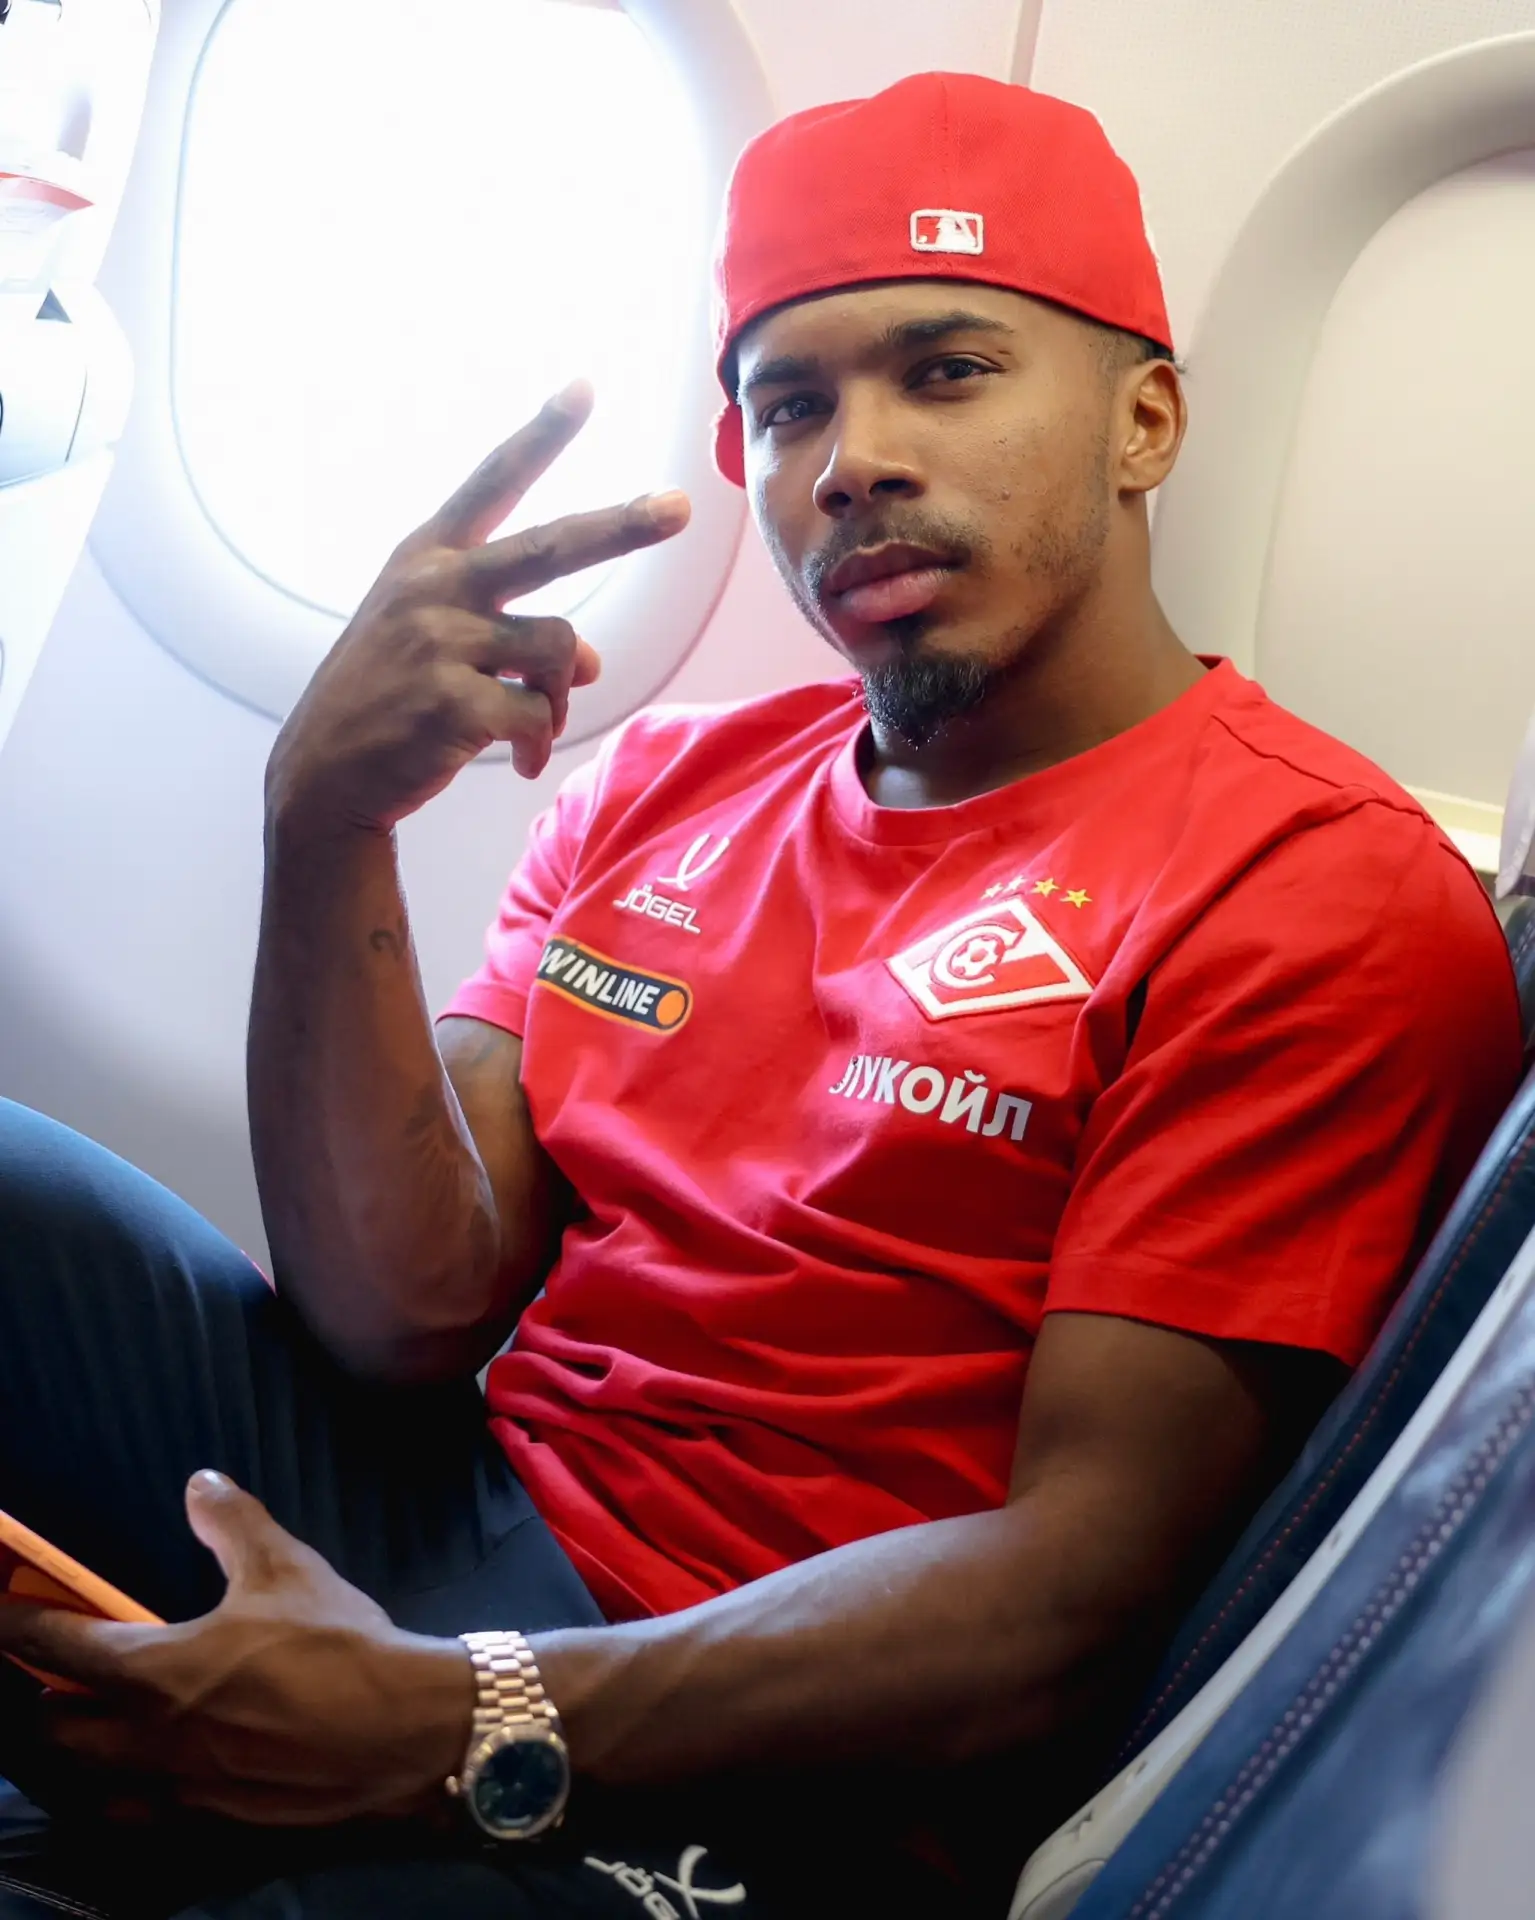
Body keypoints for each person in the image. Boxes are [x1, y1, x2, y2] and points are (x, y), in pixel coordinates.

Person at [0, 70, 1520, 1920]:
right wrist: (324, 821)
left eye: (945, 371)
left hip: (782, 1754)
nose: (850, 459)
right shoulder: (669, 783)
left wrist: (447, 1719)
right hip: (469, 1512)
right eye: (789, 403)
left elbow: (1073, 1601)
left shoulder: (1312, 888)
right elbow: (404, 1314)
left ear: (1144, 422)